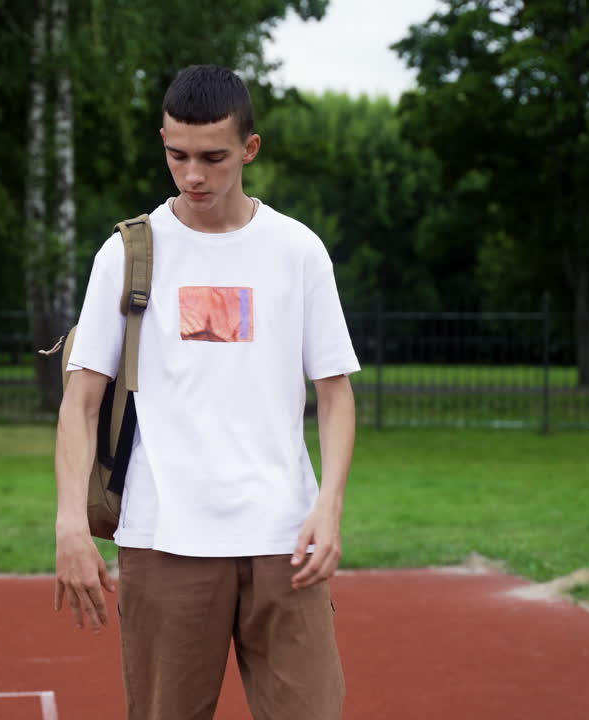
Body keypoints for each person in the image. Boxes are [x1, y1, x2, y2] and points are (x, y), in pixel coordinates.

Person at [52, 64, 359, 720]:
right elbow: (79, 403)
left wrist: (329, 503)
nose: (193, 176)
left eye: (213, 157)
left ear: (249, 149)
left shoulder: (296, 251)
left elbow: (334, 392)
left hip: (284, 540)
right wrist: (69, 525)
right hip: (165, 539)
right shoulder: (127, 254)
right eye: (177, 155)